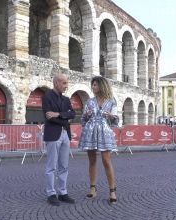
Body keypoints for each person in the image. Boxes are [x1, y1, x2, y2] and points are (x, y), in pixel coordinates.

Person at [79, 76, 119, 204]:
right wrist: (86, 115)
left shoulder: (111, 102)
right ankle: (93, 188)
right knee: (92, 161)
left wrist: (112, 116)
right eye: (92, 85)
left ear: (102, 86)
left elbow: (116, 120)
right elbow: (83, 120)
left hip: (104, 132)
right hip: (90, 132)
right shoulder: (90, 101)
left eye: (95, 85)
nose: (93, 87)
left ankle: (112, 190)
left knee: (106, 161)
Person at [42, 73, 76, 206]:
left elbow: (73, 114)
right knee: (51, 166)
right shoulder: (47, 97)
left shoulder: (67, 99)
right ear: (56, 83)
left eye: (66, 83)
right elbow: (48, 117)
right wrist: (65, 118)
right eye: (64, 83)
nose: (66, 86)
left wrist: (58, 114)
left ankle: (62, 192)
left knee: (64, 165)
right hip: (53, 135)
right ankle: (51, 193)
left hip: (65, 135)